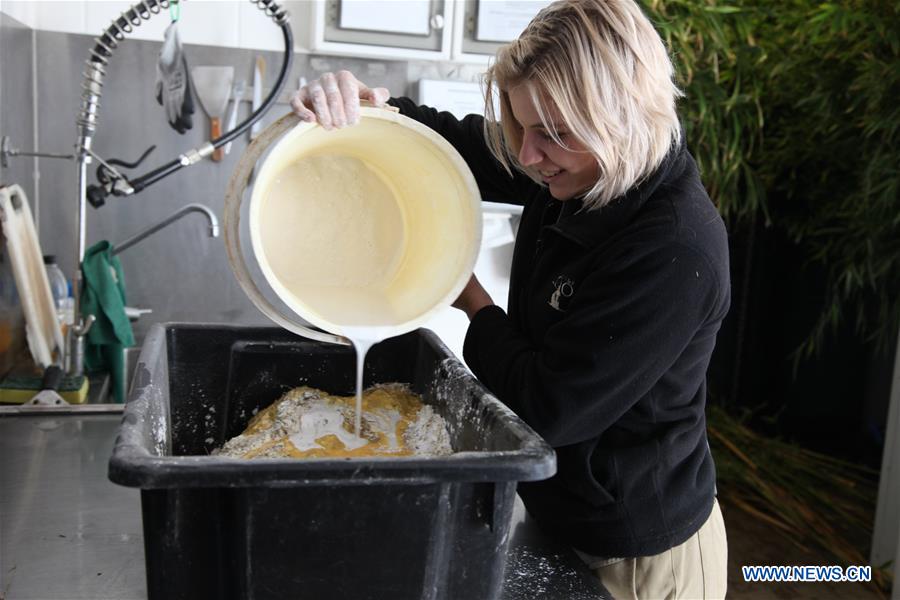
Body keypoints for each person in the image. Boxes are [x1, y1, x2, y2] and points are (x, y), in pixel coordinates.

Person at [291, 0, 730, 597]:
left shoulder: (674, 249)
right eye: (521, 126)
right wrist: (372, 108)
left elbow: (551, 408)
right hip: (557, 511)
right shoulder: (581, 164)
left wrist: (470, 300)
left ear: (624, 115)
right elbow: (463, 147)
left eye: (551, 135)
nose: (527, 156)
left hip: (634, 552)